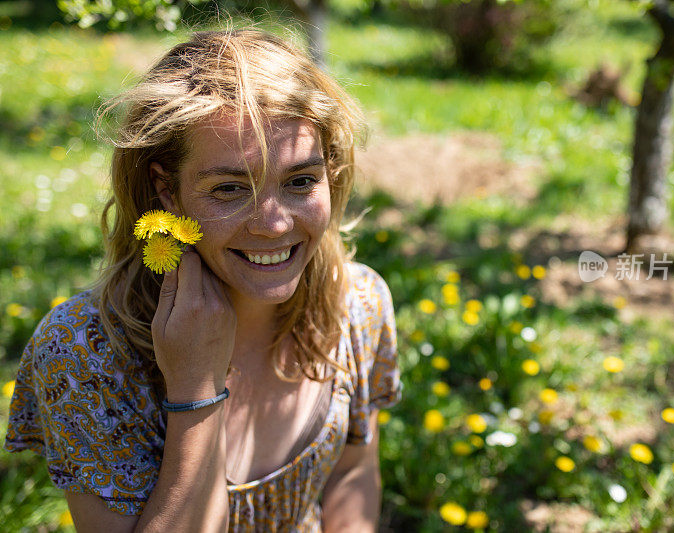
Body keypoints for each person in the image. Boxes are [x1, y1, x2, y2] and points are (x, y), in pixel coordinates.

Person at [3, 29, 402, 532]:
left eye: (300, 180)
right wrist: (195, 389)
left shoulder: (358, 303)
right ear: (166, 191)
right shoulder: (84, 354)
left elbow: (352, 473)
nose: (274, 224)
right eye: (230, 189)